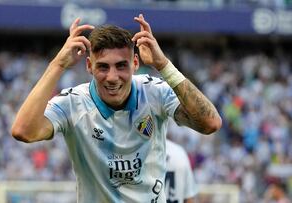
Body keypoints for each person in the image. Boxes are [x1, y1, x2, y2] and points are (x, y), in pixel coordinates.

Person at [11, 14, 221, 202]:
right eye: (103, 66)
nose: (112, 77)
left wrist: (164, 65)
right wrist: (57, 65)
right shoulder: (73, 103)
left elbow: (210, 123)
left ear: (135, 63)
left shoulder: (155, 92)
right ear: (89, 66)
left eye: (121, 65)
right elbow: (23, 131)